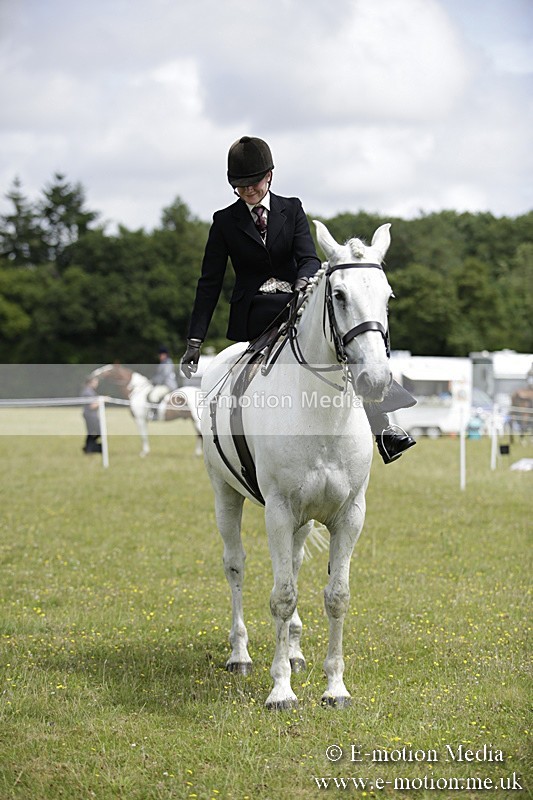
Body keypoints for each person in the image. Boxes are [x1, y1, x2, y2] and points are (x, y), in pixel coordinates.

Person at [180, 135, 415, 464]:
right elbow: (209, 283)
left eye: (254, 184)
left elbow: (308, 257)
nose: (248, 192)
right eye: (240, 187)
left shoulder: (291, 209)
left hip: (296, 304)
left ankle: (383, 428)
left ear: (269, 176)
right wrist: (195, 339)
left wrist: (304, 280)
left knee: (345, 347)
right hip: (255, 313)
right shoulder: (223, 221)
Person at [81, 375, 102, 454]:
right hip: (91, 416)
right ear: (91, 382)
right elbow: (92, 406)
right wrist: (102, 401)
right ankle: (90, 448)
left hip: (90, 415)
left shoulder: (89, 391)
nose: (97, 384)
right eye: (96, 382)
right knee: (99, 432)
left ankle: (88, 448)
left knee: (91, 433)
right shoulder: (88, 392)